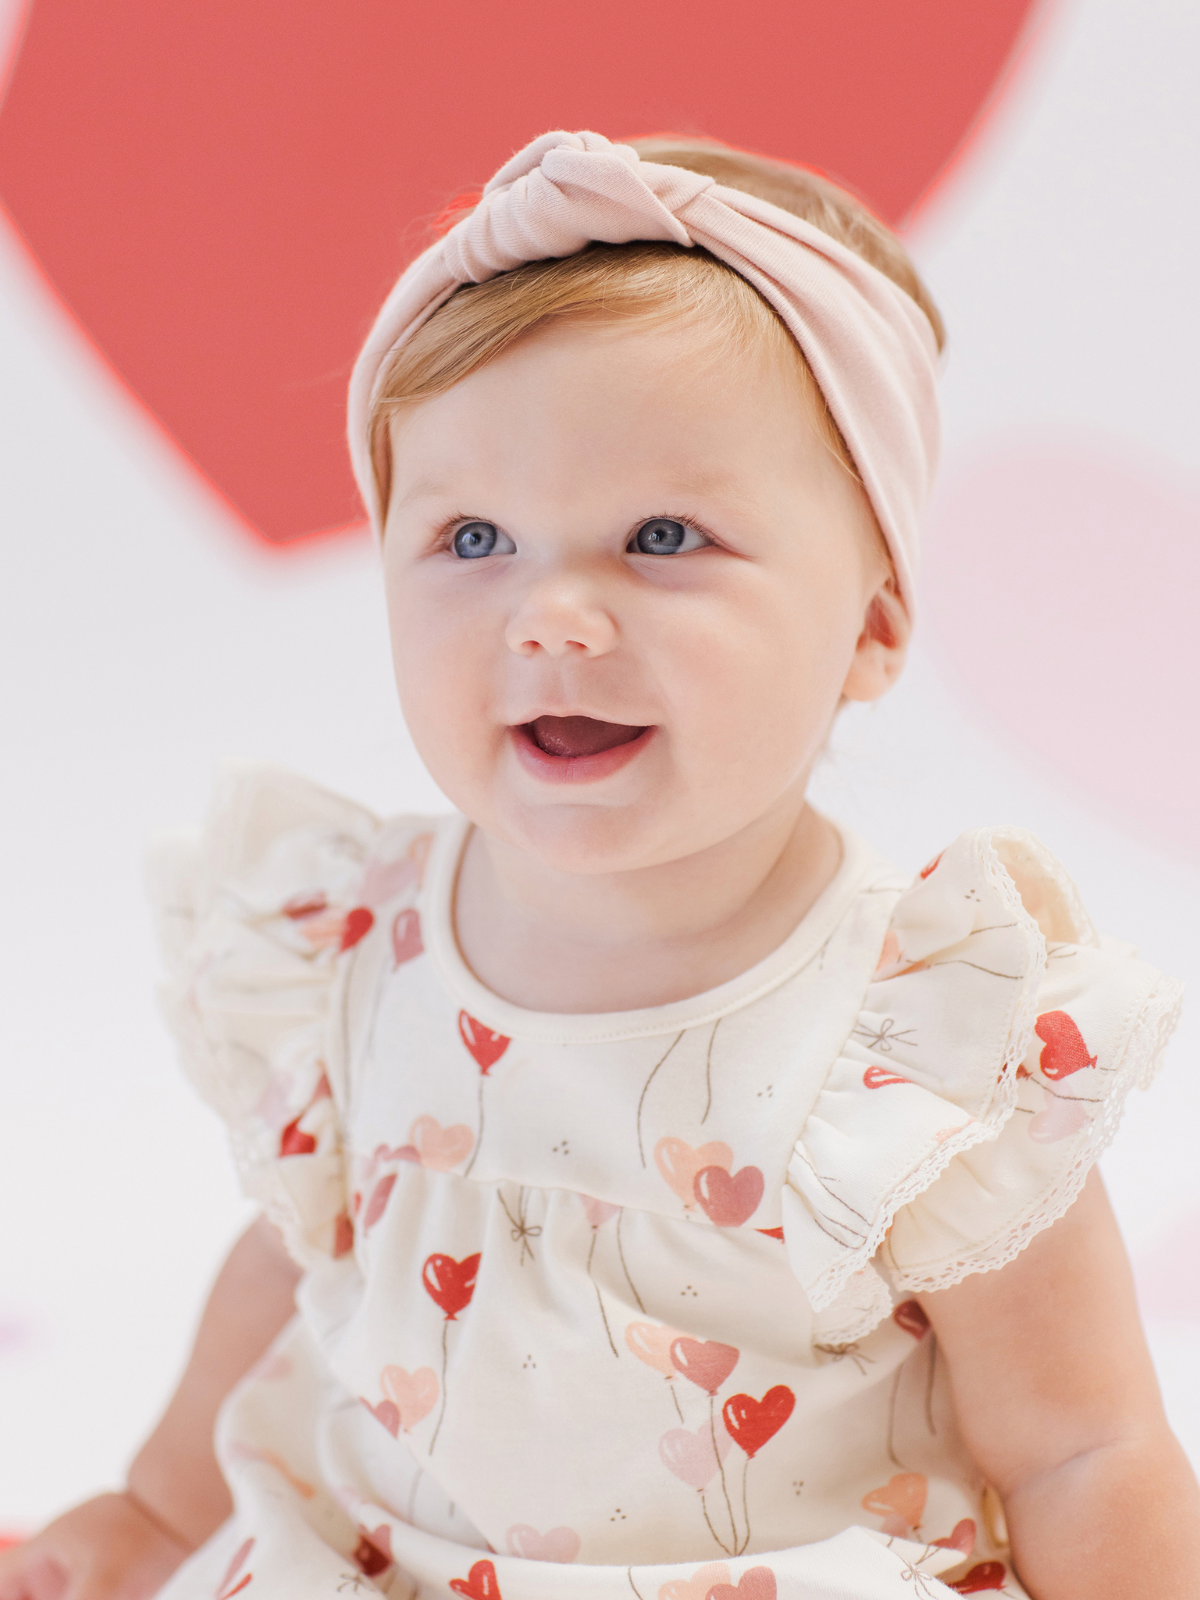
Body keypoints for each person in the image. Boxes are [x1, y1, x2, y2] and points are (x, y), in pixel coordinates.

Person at [3, 130, 1196, 1600]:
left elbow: (1082, 1449)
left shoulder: (917, 1042)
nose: (553, 614)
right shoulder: (351, 942)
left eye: (663, 536)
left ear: (874, 628)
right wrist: (144, 1510)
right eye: (474, 536)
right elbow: (300, 1276)